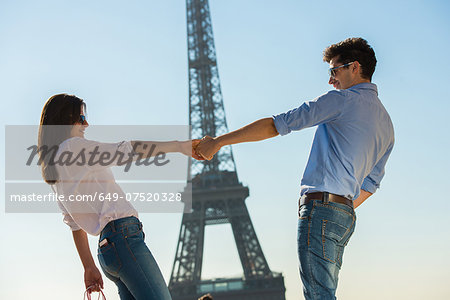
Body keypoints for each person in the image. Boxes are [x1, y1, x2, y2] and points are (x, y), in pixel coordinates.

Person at [195, 37, 394, 300]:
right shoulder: (387, 123)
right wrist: (339, 207)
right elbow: (370, 185)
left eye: (334, 71)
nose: (331, 80)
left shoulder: (340, 101)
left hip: (321, 208)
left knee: (318, 296)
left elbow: (277, 125)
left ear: (354, 67)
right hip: (345, 215)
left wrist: (218, 142)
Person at [38, 94, 201, 300]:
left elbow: (73, 223)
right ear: (63, 120)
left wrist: (88, 266)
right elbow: (124, 151)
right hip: (124, 239)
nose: (86, 123)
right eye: (81, 118)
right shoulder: (73, 147)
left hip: (107, 251)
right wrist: (179, 146)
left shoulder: (53, 168)